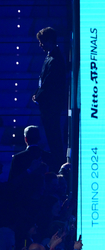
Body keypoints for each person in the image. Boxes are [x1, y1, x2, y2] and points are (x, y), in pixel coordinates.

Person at [32, 27, 67, 168]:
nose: (40, 45)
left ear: (49, 41)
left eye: (42, 42)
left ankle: (58, 164)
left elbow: (49, 82)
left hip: (51, 105)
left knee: (54, 136)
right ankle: (57, 162)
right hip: (49, 105)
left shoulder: (55, 58)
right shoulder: (51, 57)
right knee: (52, 136)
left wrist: (38, 96)